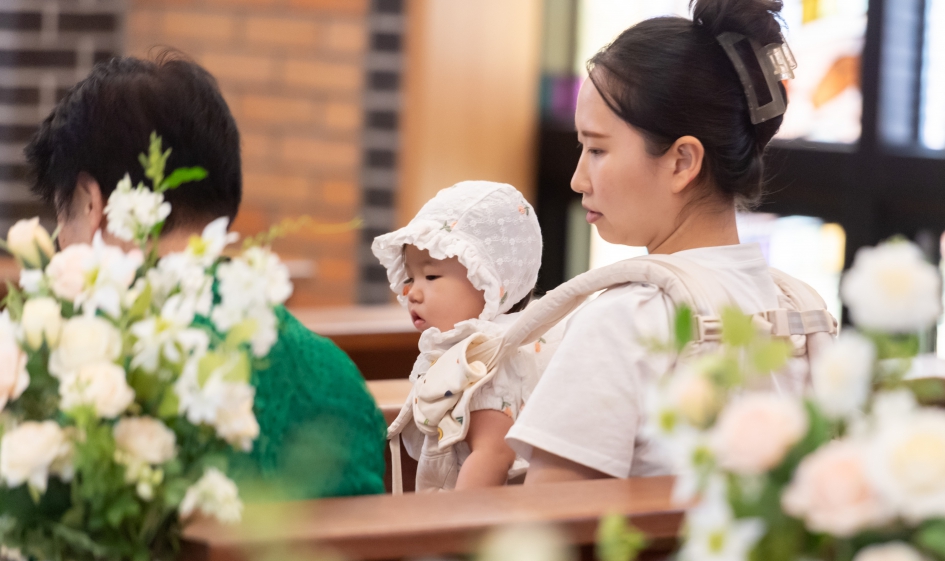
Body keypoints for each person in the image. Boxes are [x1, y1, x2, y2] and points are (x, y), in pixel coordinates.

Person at [22, 54, 386, 499]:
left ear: (90, 202)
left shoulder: (80, 370)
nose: (62, 242)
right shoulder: (336, 377)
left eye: (63, 220)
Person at [510, 0, 835, 485]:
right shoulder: (803, 312)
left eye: (597, 149)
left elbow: (548, 529)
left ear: (683, 161)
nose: (579, 178)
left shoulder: (626, 318)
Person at [372, 181, 553, 490]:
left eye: (431, 276)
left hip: (469, 519)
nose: (412, 293)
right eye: (411, 277)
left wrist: (458, 532)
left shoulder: (488, 359)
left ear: (490, 282)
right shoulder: (467, 346)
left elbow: (492, 456)